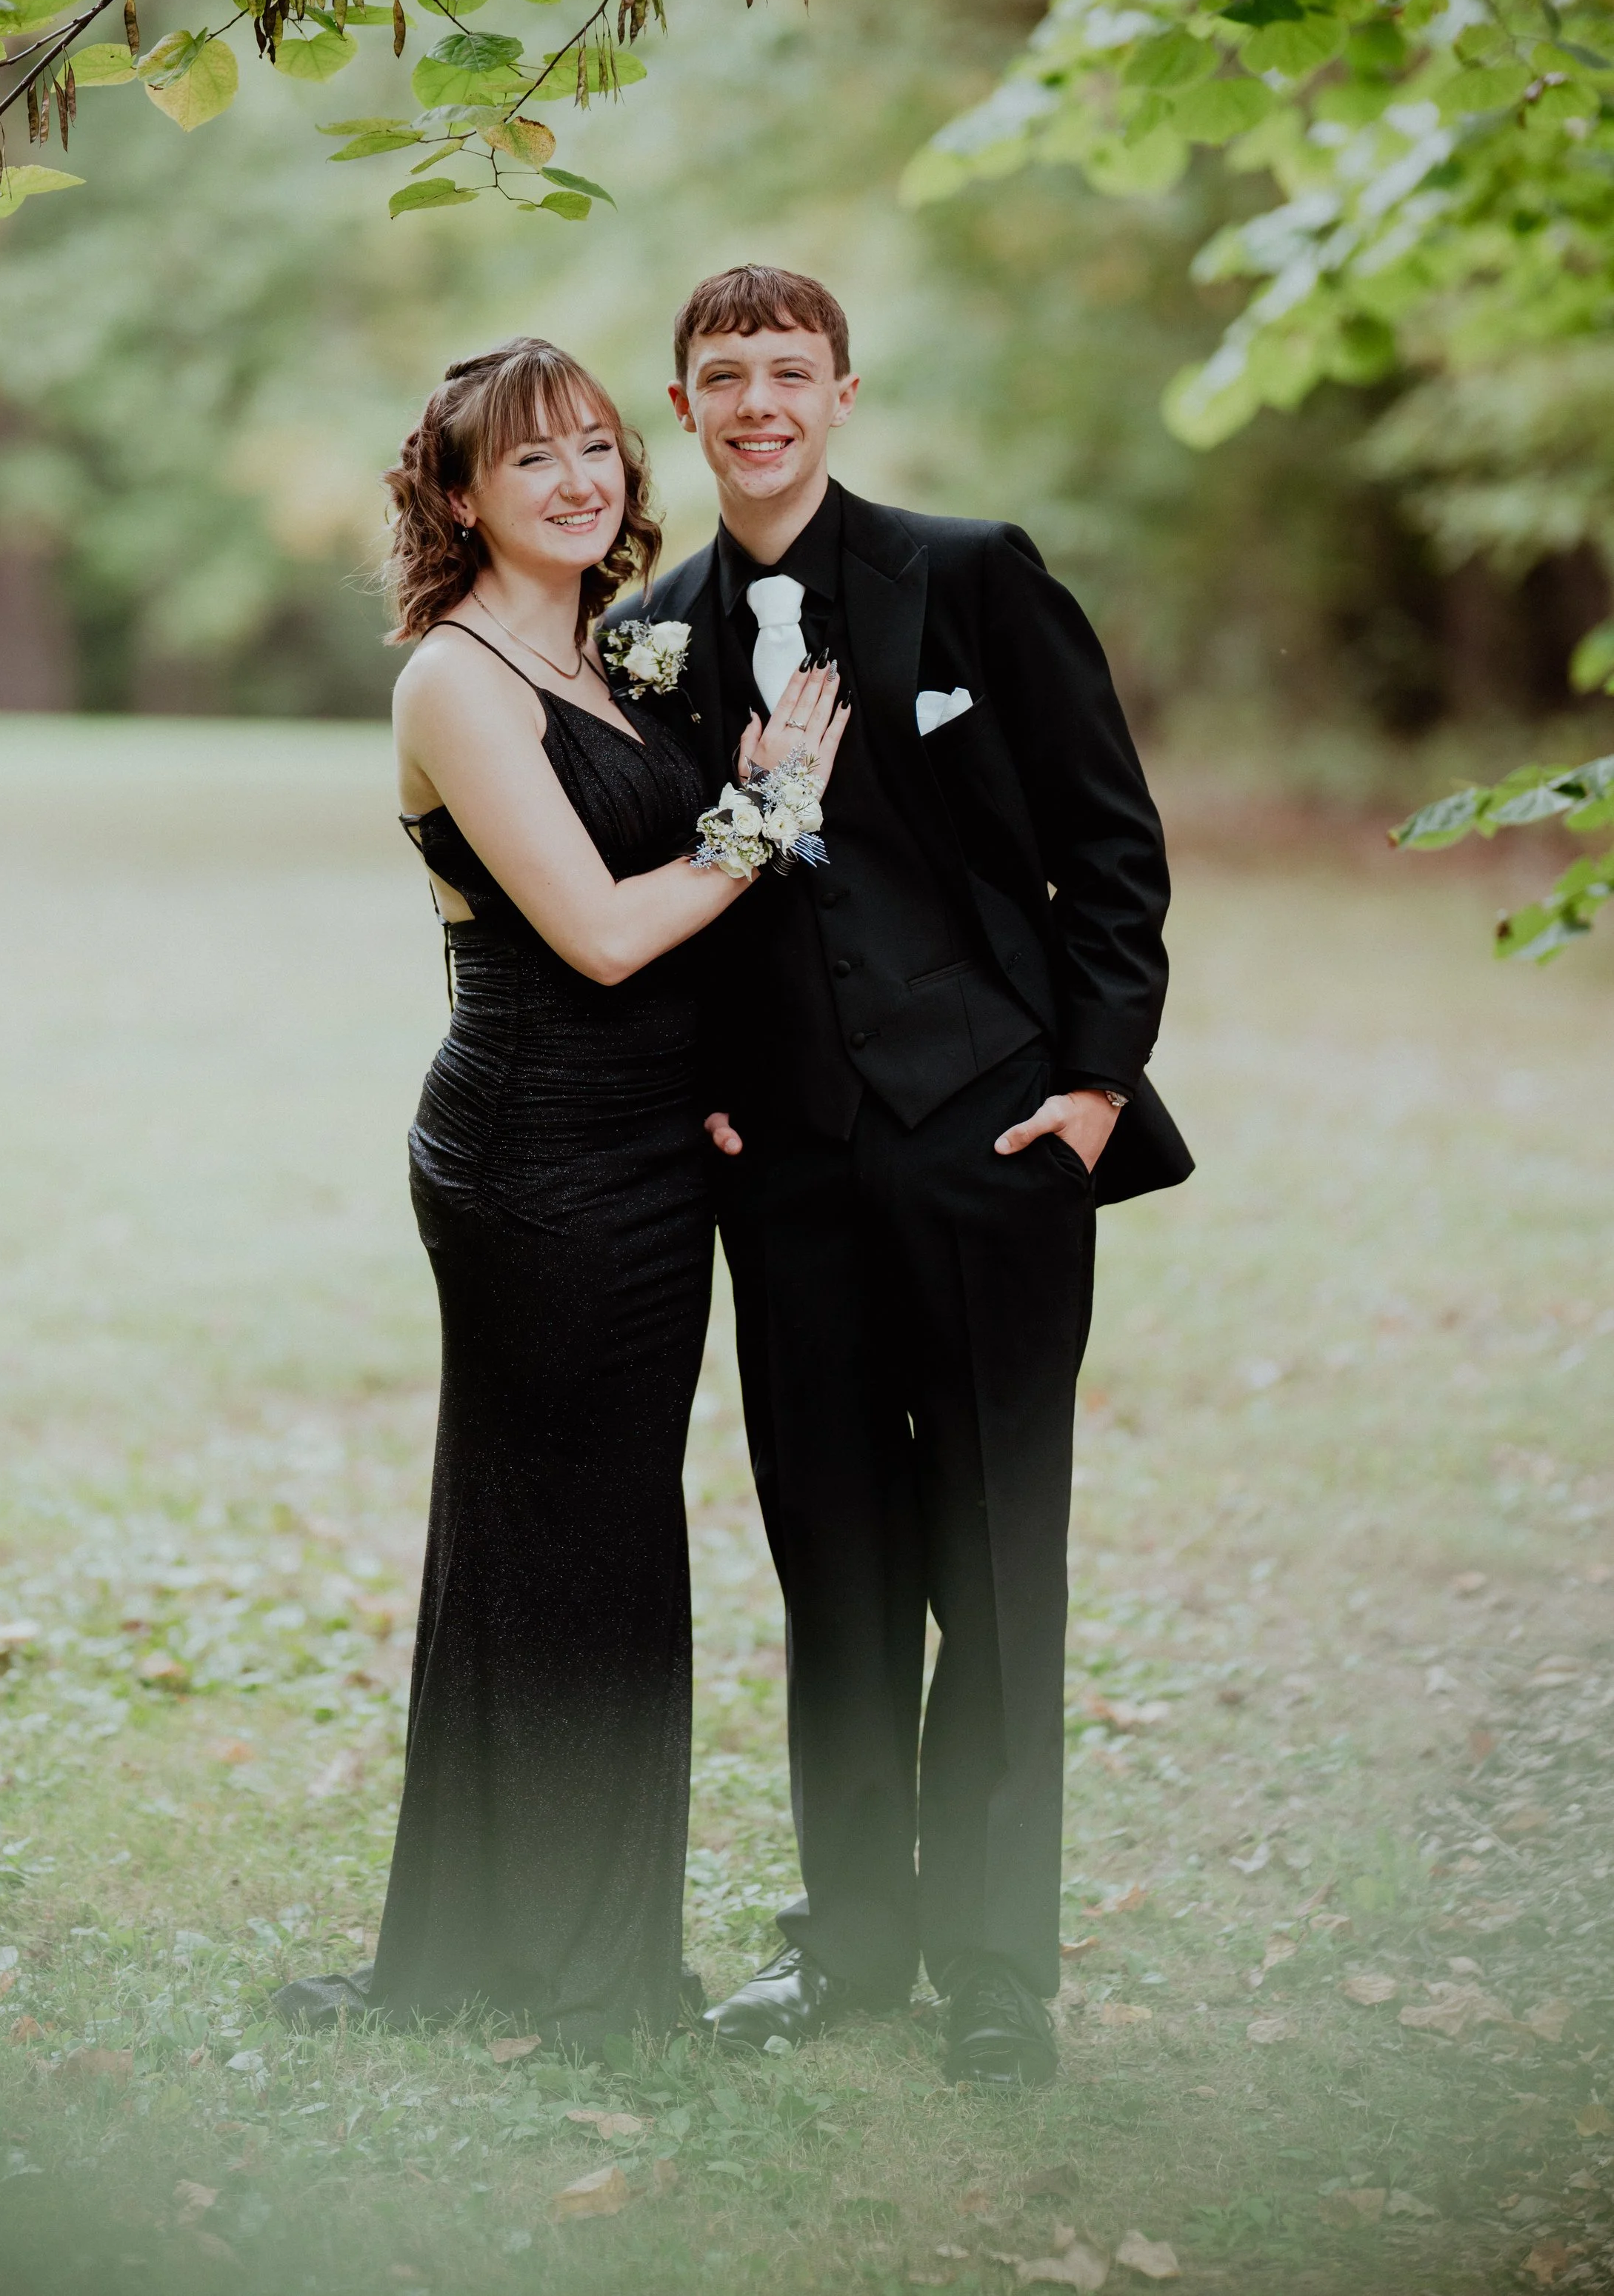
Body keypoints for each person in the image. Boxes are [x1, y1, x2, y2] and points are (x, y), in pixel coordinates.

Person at [601, 265, 1191, 2089]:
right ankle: (850, 1946)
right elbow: (651, 895)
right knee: (835, 1567)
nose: (757, 401)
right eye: (722, 375)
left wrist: (1091, 1085)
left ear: (845, 392)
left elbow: (1106, 840)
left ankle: (998, 1965)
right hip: (784, 1179)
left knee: (994, 1573)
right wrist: (700, 1090)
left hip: (996, 1142)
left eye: (789, 370)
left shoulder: (976, 571)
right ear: (685, 408)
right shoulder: (648, 630)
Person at [273, 336, 849, 2052]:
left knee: (556, 1541)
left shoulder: (610, 655)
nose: (579, 479)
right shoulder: (456, 680)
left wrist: (729, 1081)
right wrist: (766, 810)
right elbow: (600, 935)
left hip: (648, 1145)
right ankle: (590, 1979)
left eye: (595, 447)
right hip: (536, 1155)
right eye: (532, 461)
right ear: (458, 497)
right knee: (584, 1549)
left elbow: (677, 934)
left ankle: (496, 1937)